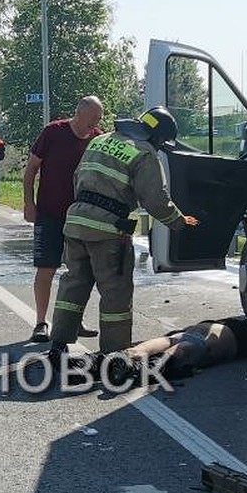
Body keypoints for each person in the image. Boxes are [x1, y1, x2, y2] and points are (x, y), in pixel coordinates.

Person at [49, 105, 199, 360]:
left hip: (76, 223)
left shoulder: (100, 139)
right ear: (158, 136)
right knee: (115, 293)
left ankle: (57, 345)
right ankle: (114, 355)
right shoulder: (145, 152)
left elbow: (78, 178)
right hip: (108, 232)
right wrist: (179, 221)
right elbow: (155, 199)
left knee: (73, 285)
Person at [22, 96, 105, 342]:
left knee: (79, 272)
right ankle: (40, 323)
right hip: (49, 214)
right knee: (46, 269)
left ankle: (73, 321)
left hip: (81, 218)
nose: (96, 124)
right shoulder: (53, 132)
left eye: (98, 119)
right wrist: (29, 203)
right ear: (80, 113)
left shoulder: (96, 139)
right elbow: (31, 170)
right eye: (93, 118)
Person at [106, 316, 247, 388]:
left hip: (206, 327)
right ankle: (154, 364)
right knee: (191, 346)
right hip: (225, 334)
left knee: (173, 340)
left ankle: (131, 354)